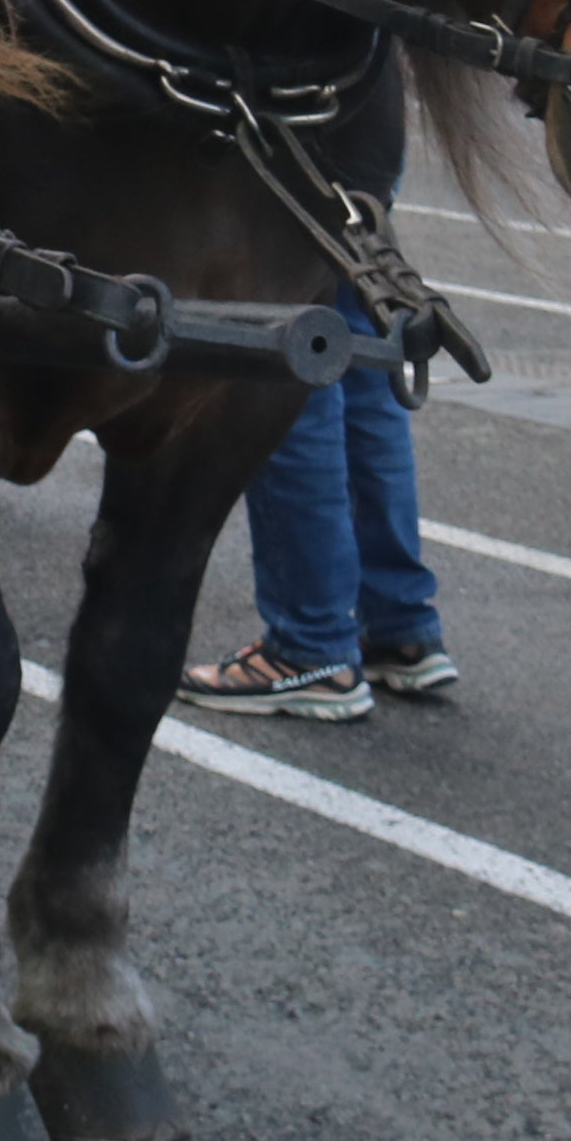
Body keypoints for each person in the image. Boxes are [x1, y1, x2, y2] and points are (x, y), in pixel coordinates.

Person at [181, 109, 452, 722]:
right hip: (365, 116)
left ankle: (312, 648)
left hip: (288, 119)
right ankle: (399, 625)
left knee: (293, 356)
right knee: (362, 350)